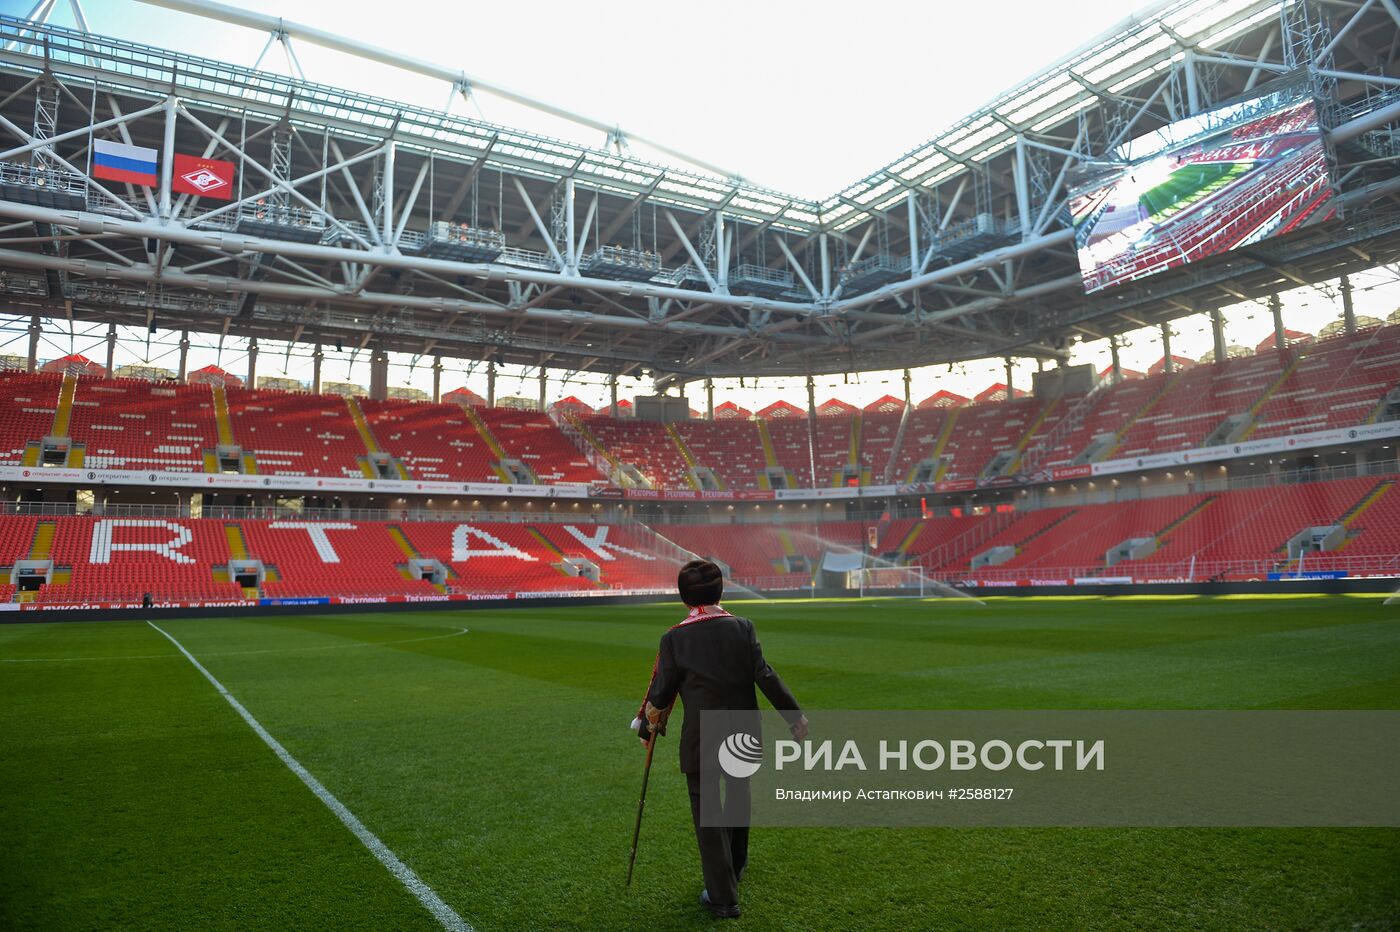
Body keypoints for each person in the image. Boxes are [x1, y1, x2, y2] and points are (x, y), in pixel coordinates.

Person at [632, 559, 808, 919]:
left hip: (702, 736)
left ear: (683, 598)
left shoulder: (674, 638)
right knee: (739, 797)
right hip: (744, 729)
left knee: (708, 813)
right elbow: (766, 676)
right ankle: (737, 865)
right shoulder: (742, 628)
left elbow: (661, 692)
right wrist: (794, 717)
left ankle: (723, 897)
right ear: (721, 590)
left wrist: (646, 727)